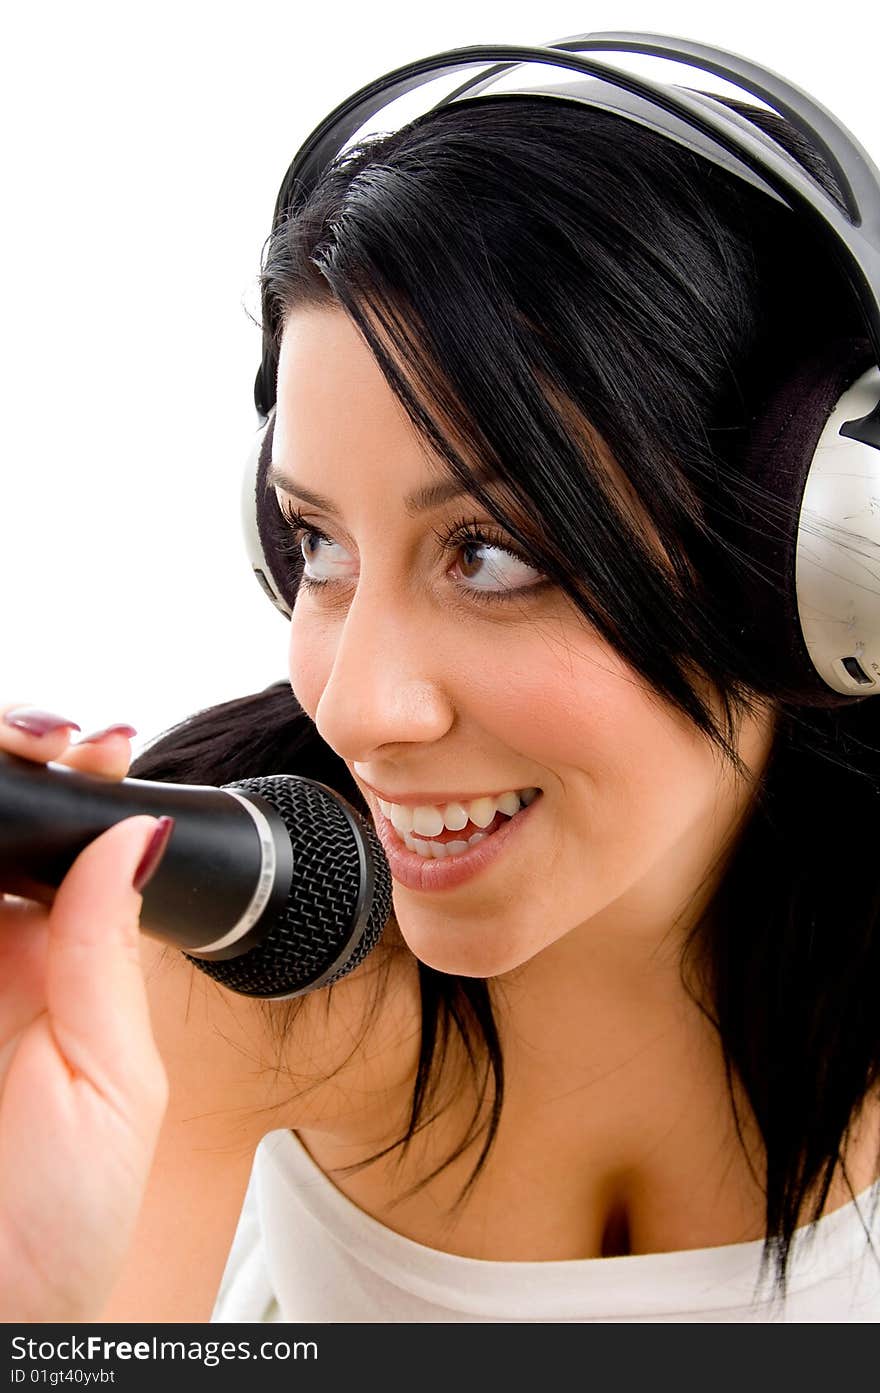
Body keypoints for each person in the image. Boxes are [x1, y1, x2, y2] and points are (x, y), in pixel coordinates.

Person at [2, 47, 880, 1324]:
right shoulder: (238, 954)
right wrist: (36, 1304)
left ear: (811, 569)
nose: (356, 710)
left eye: (491, 552)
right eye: (319, 545)